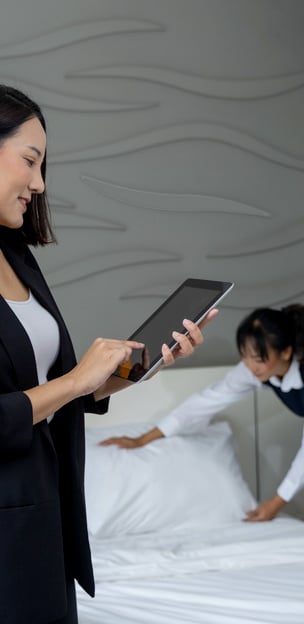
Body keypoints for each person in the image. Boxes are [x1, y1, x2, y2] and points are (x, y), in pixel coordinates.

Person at [0, 84, 217, 624]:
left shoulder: (16, 255)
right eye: (30, 160)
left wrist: (139, 365)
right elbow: (53, 390)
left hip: (46, 523)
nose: (39, 182)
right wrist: (75, 381)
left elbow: (50, 392)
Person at [101, 305, 304, 523]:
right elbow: (204, 403)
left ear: (286, 352)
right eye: (245, 356)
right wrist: (143, 439)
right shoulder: (255, 371)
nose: (250, 366)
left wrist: (276, 502)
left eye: (259, 358)